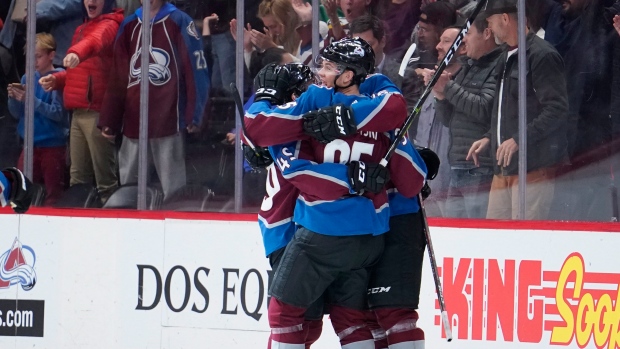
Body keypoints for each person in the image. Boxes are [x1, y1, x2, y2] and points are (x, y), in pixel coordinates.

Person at [247, 38, 426, 349]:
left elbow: (263, 132)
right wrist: (361, 177)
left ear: (347, 76)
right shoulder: (383, 116)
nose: (320, 71)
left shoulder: (314, 100)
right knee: (353, 319)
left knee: (284, 316)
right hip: (372, 236)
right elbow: (413, 180)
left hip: (322, 233)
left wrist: (262, 101)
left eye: (328, 66)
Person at [467, 0, 569, 220]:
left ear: (505, 18)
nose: (490, 28)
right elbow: (505, 107)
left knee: (526, 239)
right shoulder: (505, 56)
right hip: (503, 167)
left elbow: (557, 109)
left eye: (491, 21)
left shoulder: (542, 55)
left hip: (532, 168)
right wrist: (489, 137)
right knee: (496, 238)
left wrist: (518, 139)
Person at [99, 0, 209, 200]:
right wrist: (110, 118)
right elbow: (118, 75)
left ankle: (174, 226)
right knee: (128, 189)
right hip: (133, 121)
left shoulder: (180, 21)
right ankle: (129, 225)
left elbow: (195, 70)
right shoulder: (129, 24)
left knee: (174, 190)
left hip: (168, 119)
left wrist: (195, 113)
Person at [38, 0, 123, 204]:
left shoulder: (111, 23)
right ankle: (79, 219)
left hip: (96, 112)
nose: (91, 2)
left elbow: (96, 40)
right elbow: (77, 73)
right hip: (77, 111)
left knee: (105, 179)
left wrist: (77, 52)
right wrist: (57, 79)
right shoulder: (80, 28)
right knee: (77, 177)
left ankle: (112, 222)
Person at [433, 16, 501, 218]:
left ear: (487, 34)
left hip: (479, 166)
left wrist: (449, 87)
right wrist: (440, 96)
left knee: (477, 234)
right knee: (457, 234)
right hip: (457, 164)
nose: (463, 41)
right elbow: (449, 120)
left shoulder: (499, 64)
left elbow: (483, 107)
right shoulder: (469, 66)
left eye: (468, 34)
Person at [8, 33, 69, 206]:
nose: (34, 61)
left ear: (51, 55)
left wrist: (31, 100)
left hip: (53, 145)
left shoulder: (58, 78)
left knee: (53, 193)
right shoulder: (27, 78)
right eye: (31, 57)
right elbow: (17, 114)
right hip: (29, 145)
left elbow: (58, 113)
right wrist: (14, 98)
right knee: (20, 190)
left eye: (38, 56)